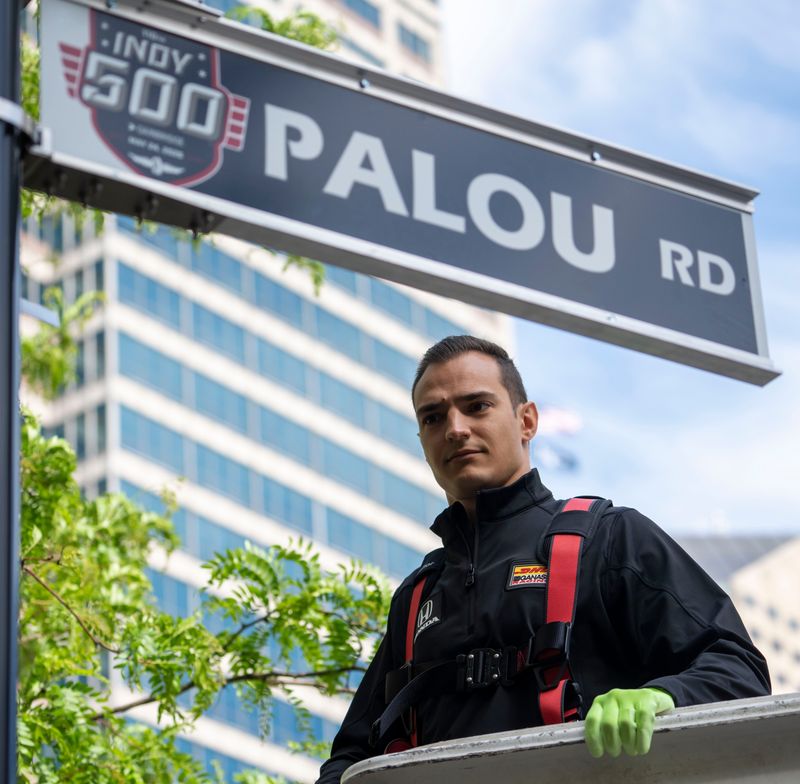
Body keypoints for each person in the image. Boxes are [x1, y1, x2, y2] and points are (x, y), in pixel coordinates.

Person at [316, 335, 769, 783]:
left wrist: (661, 696)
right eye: (433, 417)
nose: (455, 429)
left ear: (527, 421)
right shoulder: (417, 597)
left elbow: (738, 669)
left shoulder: (608, 538)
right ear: (422, 439)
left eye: (477, 406)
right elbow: (351, 757)